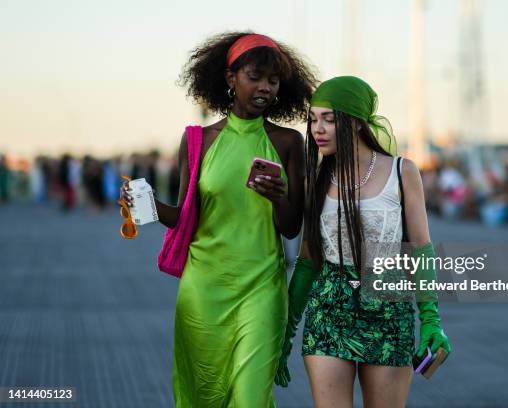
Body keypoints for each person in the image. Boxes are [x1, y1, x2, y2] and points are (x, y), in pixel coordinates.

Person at [120, 32, 316, 407]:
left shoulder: (289, 142)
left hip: (262, 287)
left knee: (250, 398)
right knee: (203, 395)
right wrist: (142, 202)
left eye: (273, 81)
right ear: (231, 79)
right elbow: (184, 218)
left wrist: (278, 197)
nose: (265, 88)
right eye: (255, 77)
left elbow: (291, 227)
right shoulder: (198, 141)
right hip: (203, 288)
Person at [275, 76, 451, 407]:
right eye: (313, 119)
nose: (318, 129)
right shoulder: (317, 179)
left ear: (355, 122)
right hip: (328, 311)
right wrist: (287, 327)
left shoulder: (402, 172)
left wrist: (431, 318)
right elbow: (308, 260)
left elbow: (420, 250)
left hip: (388, 308)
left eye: (329, 119)